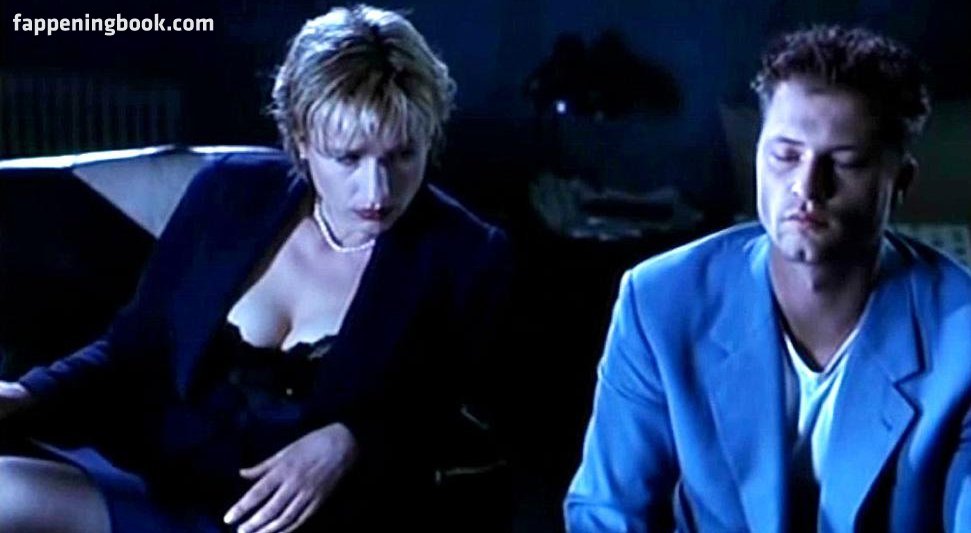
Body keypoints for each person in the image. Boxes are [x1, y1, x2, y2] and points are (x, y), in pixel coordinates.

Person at [0, 5, 511, 532]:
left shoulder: (465, 254)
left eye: (403, 155)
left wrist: (352, 439)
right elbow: (135, 346)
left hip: (298, 523)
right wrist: (27, 393)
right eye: (348, 158)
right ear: (302, 141)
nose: (377, 190)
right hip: (158, 483)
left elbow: (460, 418)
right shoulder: (231, 190)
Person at [565, 25, 971, 531]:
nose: (808, 187)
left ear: (900, 182)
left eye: (845, 162)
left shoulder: (962, 338)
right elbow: (608, 512)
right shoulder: (660, 301)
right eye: (785, 155)